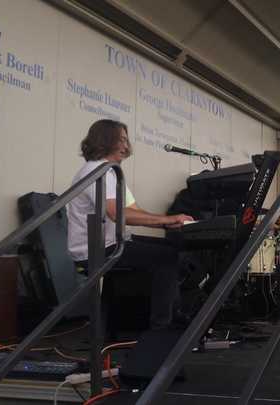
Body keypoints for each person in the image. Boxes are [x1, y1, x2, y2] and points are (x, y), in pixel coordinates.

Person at [67, 119, 194, 330]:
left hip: (109, 243)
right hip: (96, 251)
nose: (127, 146)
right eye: (122, 140)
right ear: (105, 140)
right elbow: (117, 213)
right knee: (167, 257)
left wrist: (165, 224)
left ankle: (168, 315)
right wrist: (168, 219)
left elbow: (133, 211)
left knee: (171, 249)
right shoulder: (98, 171)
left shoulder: (107, 171)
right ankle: (162, 327)